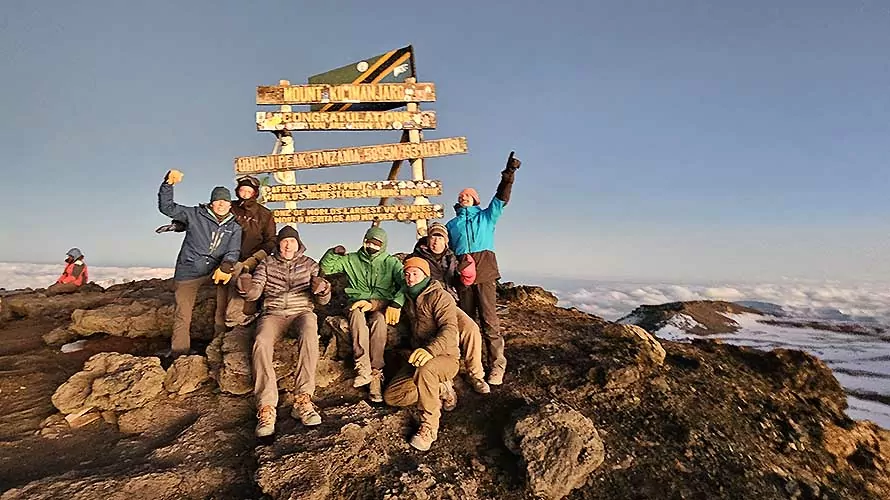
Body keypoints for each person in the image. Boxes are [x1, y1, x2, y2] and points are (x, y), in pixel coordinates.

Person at [238, 226, 331, 437]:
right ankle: (266, 407)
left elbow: (323, 299)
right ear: (279, 243)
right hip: (273, 312)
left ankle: (303, 399)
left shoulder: (310, 264)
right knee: (261, 341)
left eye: (292, 241)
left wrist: (323, 289)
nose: (288, 245)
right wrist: (246, 288)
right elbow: (255, 294)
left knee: (309, 333)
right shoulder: (267, 264)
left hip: (302, 312)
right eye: (284, 241)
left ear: (299, 244)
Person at [446, 151, 521, 386]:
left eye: (469, 195)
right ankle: (471, 365)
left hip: (485, 273)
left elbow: (501, 198)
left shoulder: (487, 217)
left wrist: (508, 175)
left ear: (476, 200)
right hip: (462, 278)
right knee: (467, 323)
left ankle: (497, 366)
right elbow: (443, 250)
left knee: (490, 322)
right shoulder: (451, 224)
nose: (464, 196)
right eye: (461, 195)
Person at [158, 169, 242, 357]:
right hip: (188, 271)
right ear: (212, 202)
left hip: (215, 271)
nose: (221, 204)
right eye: (218, 201)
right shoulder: (195, 214)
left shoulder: (234, 227)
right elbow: (167, 208)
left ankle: (218, 346)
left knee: (222, 309)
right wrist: (168, 185)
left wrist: (226, 265)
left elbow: (233, 250)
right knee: (183, 314)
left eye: (225, 201)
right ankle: (179, 354)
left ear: (230, 204)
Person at [383, 257, 460, 451]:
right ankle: (439, 389)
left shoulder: (440, 297)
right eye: (407, 274)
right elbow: (384, 302)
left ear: (425, 275)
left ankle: (430, 426)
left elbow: (450, 330)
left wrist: (430, 350)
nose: (410, 278)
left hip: (445, 357)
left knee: (427, 370)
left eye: (415, 273)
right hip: (419, 357)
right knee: (392, 397)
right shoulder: (408, 298)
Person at [319, 227, 405, 403]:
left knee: (379, 321)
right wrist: (333, 253)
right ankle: (363, 367)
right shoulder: (352, 259)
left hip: (380, 304)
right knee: (356, 315)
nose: (371, 246)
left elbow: (405, 284)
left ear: (383, 245)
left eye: (376, 243)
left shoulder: (391, 263)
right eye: (369, 241)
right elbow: (326, 268)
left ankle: (376, 373)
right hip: (356, 301)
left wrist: (397, 302)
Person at [410, 222, 490, 394]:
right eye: (433, 237)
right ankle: (445, 381)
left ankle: (475, 374)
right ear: (427, 238)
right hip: (428, 301)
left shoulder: (451, 258)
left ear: (446, 241)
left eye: (440, 238)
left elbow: (457, 285)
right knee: (445, 333)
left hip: (450, 302)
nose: (436, 241)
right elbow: (408, 281)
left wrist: (465, 279)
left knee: (471, 329)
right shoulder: (418, 257)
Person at [221, 175, 277, 327]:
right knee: (235, 278)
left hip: (254, 258)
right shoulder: (230, 208)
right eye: (242, 190)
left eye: (249, 191)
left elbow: (271, 240)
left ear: (255, 193)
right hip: (227, 257)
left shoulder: (265, 214)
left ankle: (240, 320)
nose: (245, 193)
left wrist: (256, 258)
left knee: (247, 283)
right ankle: (231, 320)